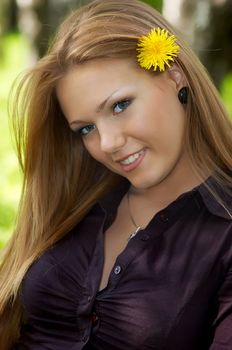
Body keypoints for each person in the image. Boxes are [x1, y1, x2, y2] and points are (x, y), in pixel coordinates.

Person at [0, 0, 232, 348]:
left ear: (174, 76)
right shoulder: (76, 202)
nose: (107, 143)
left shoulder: (223, 233)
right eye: (85, 129)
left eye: (120, 105)